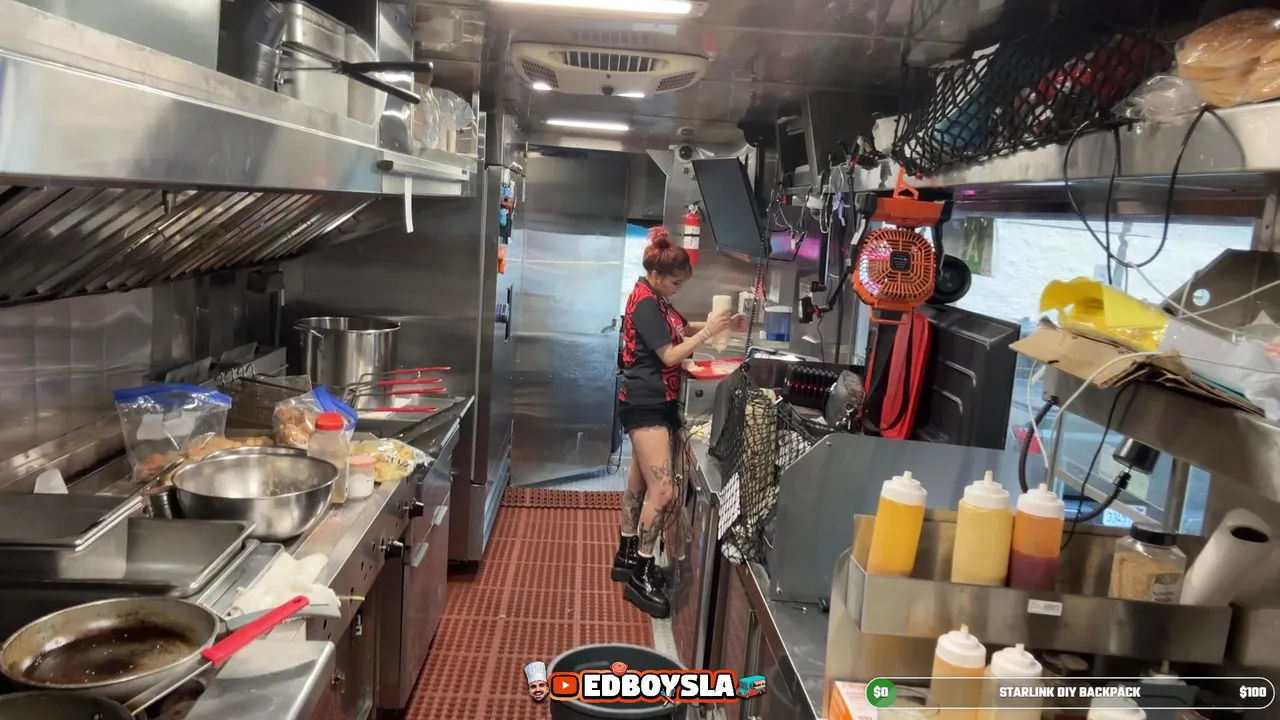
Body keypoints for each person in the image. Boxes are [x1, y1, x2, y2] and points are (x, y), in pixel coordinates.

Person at [612, 226, 747, 618]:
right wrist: (707, 334)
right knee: (665, 492)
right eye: (675, 283)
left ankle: (627, 553)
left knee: (640, 482)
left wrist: (719, 325)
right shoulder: (646, 303)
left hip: (653, 400)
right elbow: (670, 355)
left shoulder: (655, 298)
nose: (677, 289)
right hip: (647, 403)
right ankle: (641, 572)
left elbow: (676, 331)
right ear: (656, 275)